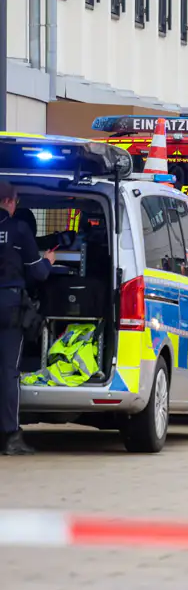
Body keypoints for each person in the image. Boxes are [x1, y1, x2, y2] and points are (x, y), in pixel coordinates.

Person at [0, 183, 54, 455]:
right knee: (8, 372)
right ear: (10, 201)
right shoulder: (19, 229)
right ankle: (11, 436)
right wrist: (49, 260)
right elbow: (38, 274)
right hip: (9, 307)